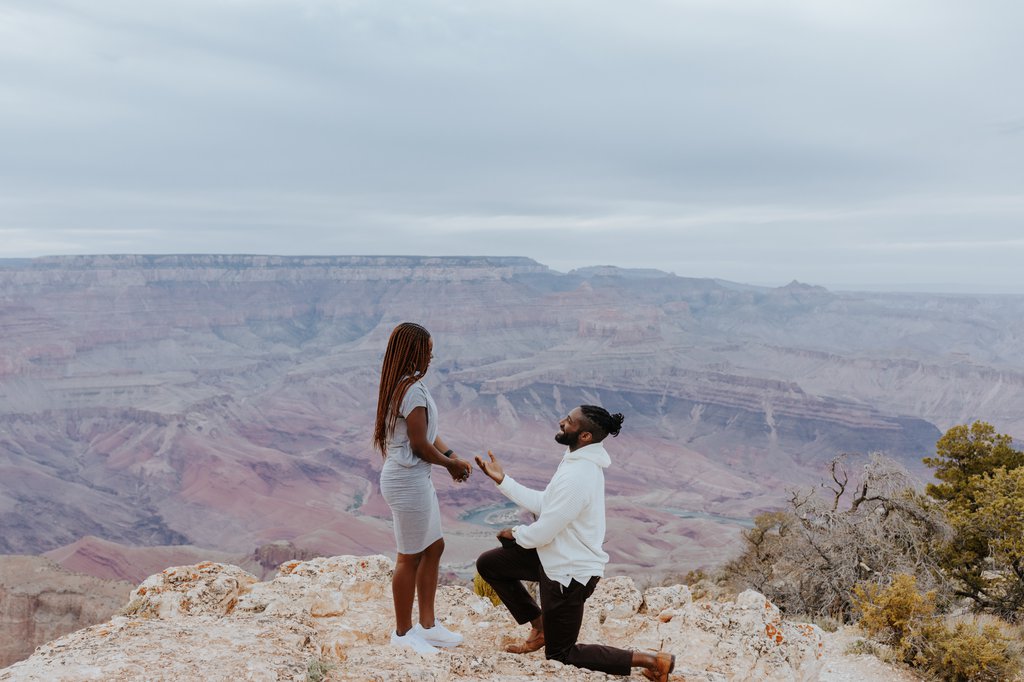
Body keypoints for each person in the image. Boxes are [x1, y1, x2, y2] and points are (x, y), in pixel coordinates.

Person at [475, 405, 676, 682]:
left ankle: (652, 660)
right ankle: (540, 627)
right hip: (555, 557)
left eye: (569, 421)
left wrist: (515, 533)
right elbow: (546, 504)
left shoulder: (579, 476)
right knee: (490, 564)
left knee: (561, 654)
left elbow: (543, 532)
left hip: (569, 574)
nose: (561, 422)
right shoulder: (574, 461)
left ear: (585, 436)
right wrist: (503, 481)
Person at [373, 322, 473, 654]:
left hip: (416, 479)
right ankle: (403, 634)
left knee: (434, 547)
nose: (431, 356)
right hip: (407, 481)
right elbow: (418, 445)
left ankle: (428, 626)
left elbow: (428, 434)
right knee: (409, 556)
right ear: (415, 352)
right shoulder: (411, 390)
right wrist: (450, 465)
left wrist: (450, 454)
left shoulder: (406, 385)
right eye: (428, 350)